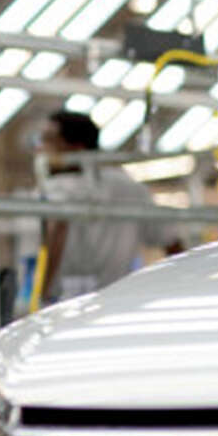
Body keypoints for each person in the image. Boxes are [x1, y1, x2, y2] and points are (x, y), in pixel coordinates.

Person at [36, 111, 179, 303]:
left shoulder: (54, 189)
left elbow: (57, 230)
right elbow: (171, 242)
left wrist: (39, 295)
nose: (41, 149)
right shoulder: (129, 187)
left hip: (66, 302)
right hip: (120, 300)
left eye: (49, 140)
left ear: (76, 147)